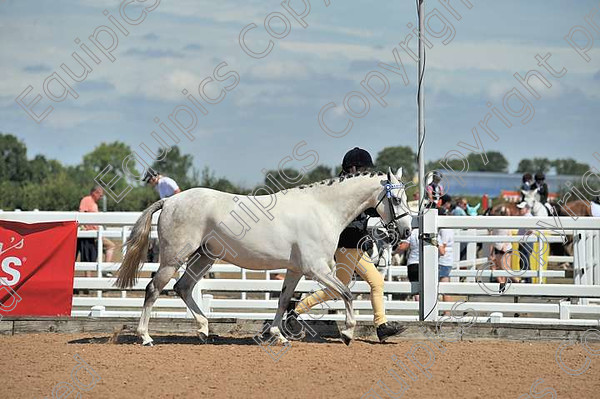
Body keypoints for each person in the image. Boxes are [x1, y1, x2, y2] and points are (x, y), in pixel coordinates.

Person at [292, 147, 406, 342]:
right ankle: (295, 310)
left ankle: (381, 325)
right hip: (346, 245)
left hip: (359, 246)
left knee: (376, 282)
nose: (367, 174)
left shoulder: (361, 190)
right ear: (352, 169)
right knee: (337, 288)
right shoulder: (339, 191)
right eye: (364, 169)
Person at [77, 186, 115, 277]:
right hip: (90, 233)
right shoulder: (87, 200)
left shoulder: (94, 203)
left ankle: (105, 269)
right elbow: (81, 213)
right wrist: (84, 228)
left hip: (96, 233)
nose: (100, 197)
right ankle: (92, 278)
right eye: (100, 195)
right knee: (88, 258)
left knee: (110, 246)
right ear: (94, 193)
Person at [489, 207, 512, 286]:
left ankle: (506, 283)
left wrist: (504, 245)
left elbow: (509, 234)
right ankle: (503, 284)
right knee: (501, 267)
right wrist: (491, 251)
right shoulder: (497, 223)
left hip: (504, 247)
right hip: (500, 247)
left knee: (504, 267)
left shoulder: (506, 222)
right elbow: (492, 236)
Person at [397, 228, 420, 301]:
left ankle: (418, 304)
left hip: (413, 263)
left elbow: (403, 246)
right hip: (425, 263)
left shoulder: (412, 233)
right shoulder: (429, 230)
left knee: (415, 287)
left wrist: (394, 251)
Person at [516, 201, 533, 283]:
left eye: (521, 209)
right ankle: (526, 279)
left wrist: (523, 239)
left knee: (525, 261)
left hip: (526, 242)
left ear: (526, 209)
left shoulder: (527, 217)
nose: (519, 210)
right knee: (524, 261)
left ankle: (527, 280)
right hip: (525, 242)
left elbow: (530, 230)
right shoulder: (526, 217)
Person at [438, 228, 454, 302]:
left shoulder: (444, 230)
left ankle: (446, 311)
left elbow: (442, 249)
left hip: (443, 261)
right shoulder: (449, 229)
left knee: (444, 287)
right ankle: (447, 311)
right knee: (445, 287)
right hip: (447, 260)